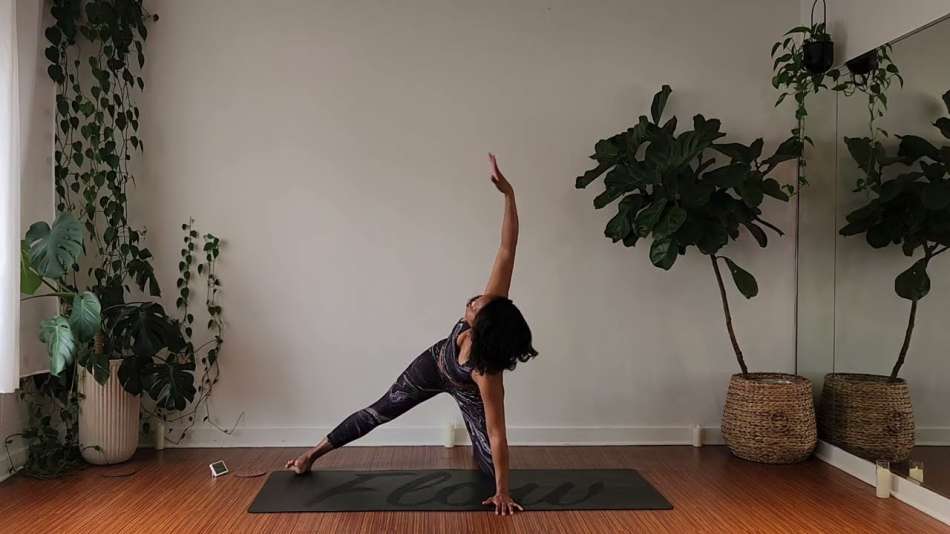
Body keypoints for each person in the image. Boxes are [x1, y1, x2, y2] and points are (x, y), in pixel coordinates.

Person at [285, 154, 538, 516]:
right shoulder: (493, 306)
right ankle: (312, 454)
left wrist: (502, 490)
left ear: (484, 330)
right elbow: (507, 249)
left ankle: (489, 478)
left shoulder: (486, 375)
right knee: (381, 408)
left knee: (487, 466)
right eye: (482, 300)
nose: (475, 300)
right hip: (435, 365)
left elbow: (498, 433)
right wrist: (509, 195)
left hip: (467, 391)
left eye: (478, 308)